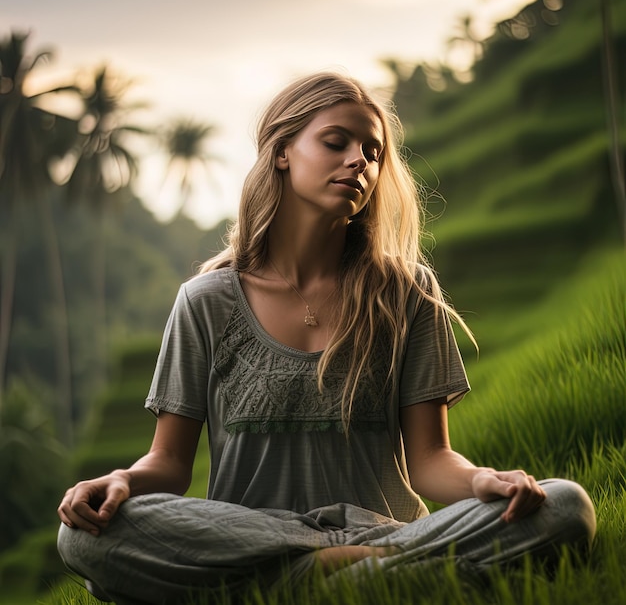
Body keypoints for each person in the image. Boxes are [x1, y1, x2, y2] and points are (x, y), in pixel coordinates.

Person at [57, 72, 596, 605]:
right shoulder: (206, 301)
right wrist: (121, 481)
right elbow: (170, 464)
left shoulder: (408, 292)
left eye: (373, 152)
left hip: (387, 530)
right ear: (283, 151)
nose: (360, 161)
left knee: (566, 506)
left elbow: (431, 458)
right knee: (81, 535)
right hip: (249, 537)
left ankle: (293, 583)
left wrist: (483, 481)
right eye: (336, 143)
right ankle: (380, 577)